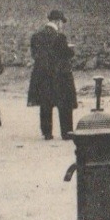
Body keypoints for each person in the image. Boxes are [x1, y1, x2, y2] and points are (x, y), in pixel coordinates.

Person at [28, 10, 78, 140]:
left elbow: (35, 55)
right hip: (59, 74)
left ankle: (47, 132)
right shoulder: (60, 37)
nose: (62, 25)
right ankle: (66, 132)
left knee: (46, 102)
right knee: (65, 103)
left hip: (42, 74)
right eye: (61, 22)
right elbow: (65, 54)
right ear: (57, 21)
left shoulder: (36, 36)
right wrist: (71, 50)